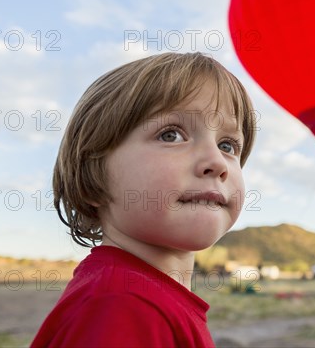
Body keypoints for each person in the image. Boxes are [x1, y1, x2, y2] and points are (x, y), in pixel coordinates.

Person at [31, 52, 257, 347]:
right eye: (171, 135)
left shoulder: (138, 298)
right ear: (92, 180)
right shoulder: (121, 305)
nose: (217, 161)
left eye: (228, 145)